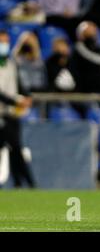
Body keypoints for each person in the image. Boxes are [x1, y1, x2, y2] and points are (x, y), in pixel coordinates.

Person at [0, 30, 36, 188]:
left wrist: (26, 96)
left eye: (6, 42)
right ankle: (29, 183)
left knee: (15, 147)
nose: (4, 46)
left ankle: (19, 183)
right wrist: (15, 101)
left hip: (10, 113)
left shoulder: (10, 62)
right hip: (3, 111)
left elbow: (18, 83)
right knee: (14, 147)